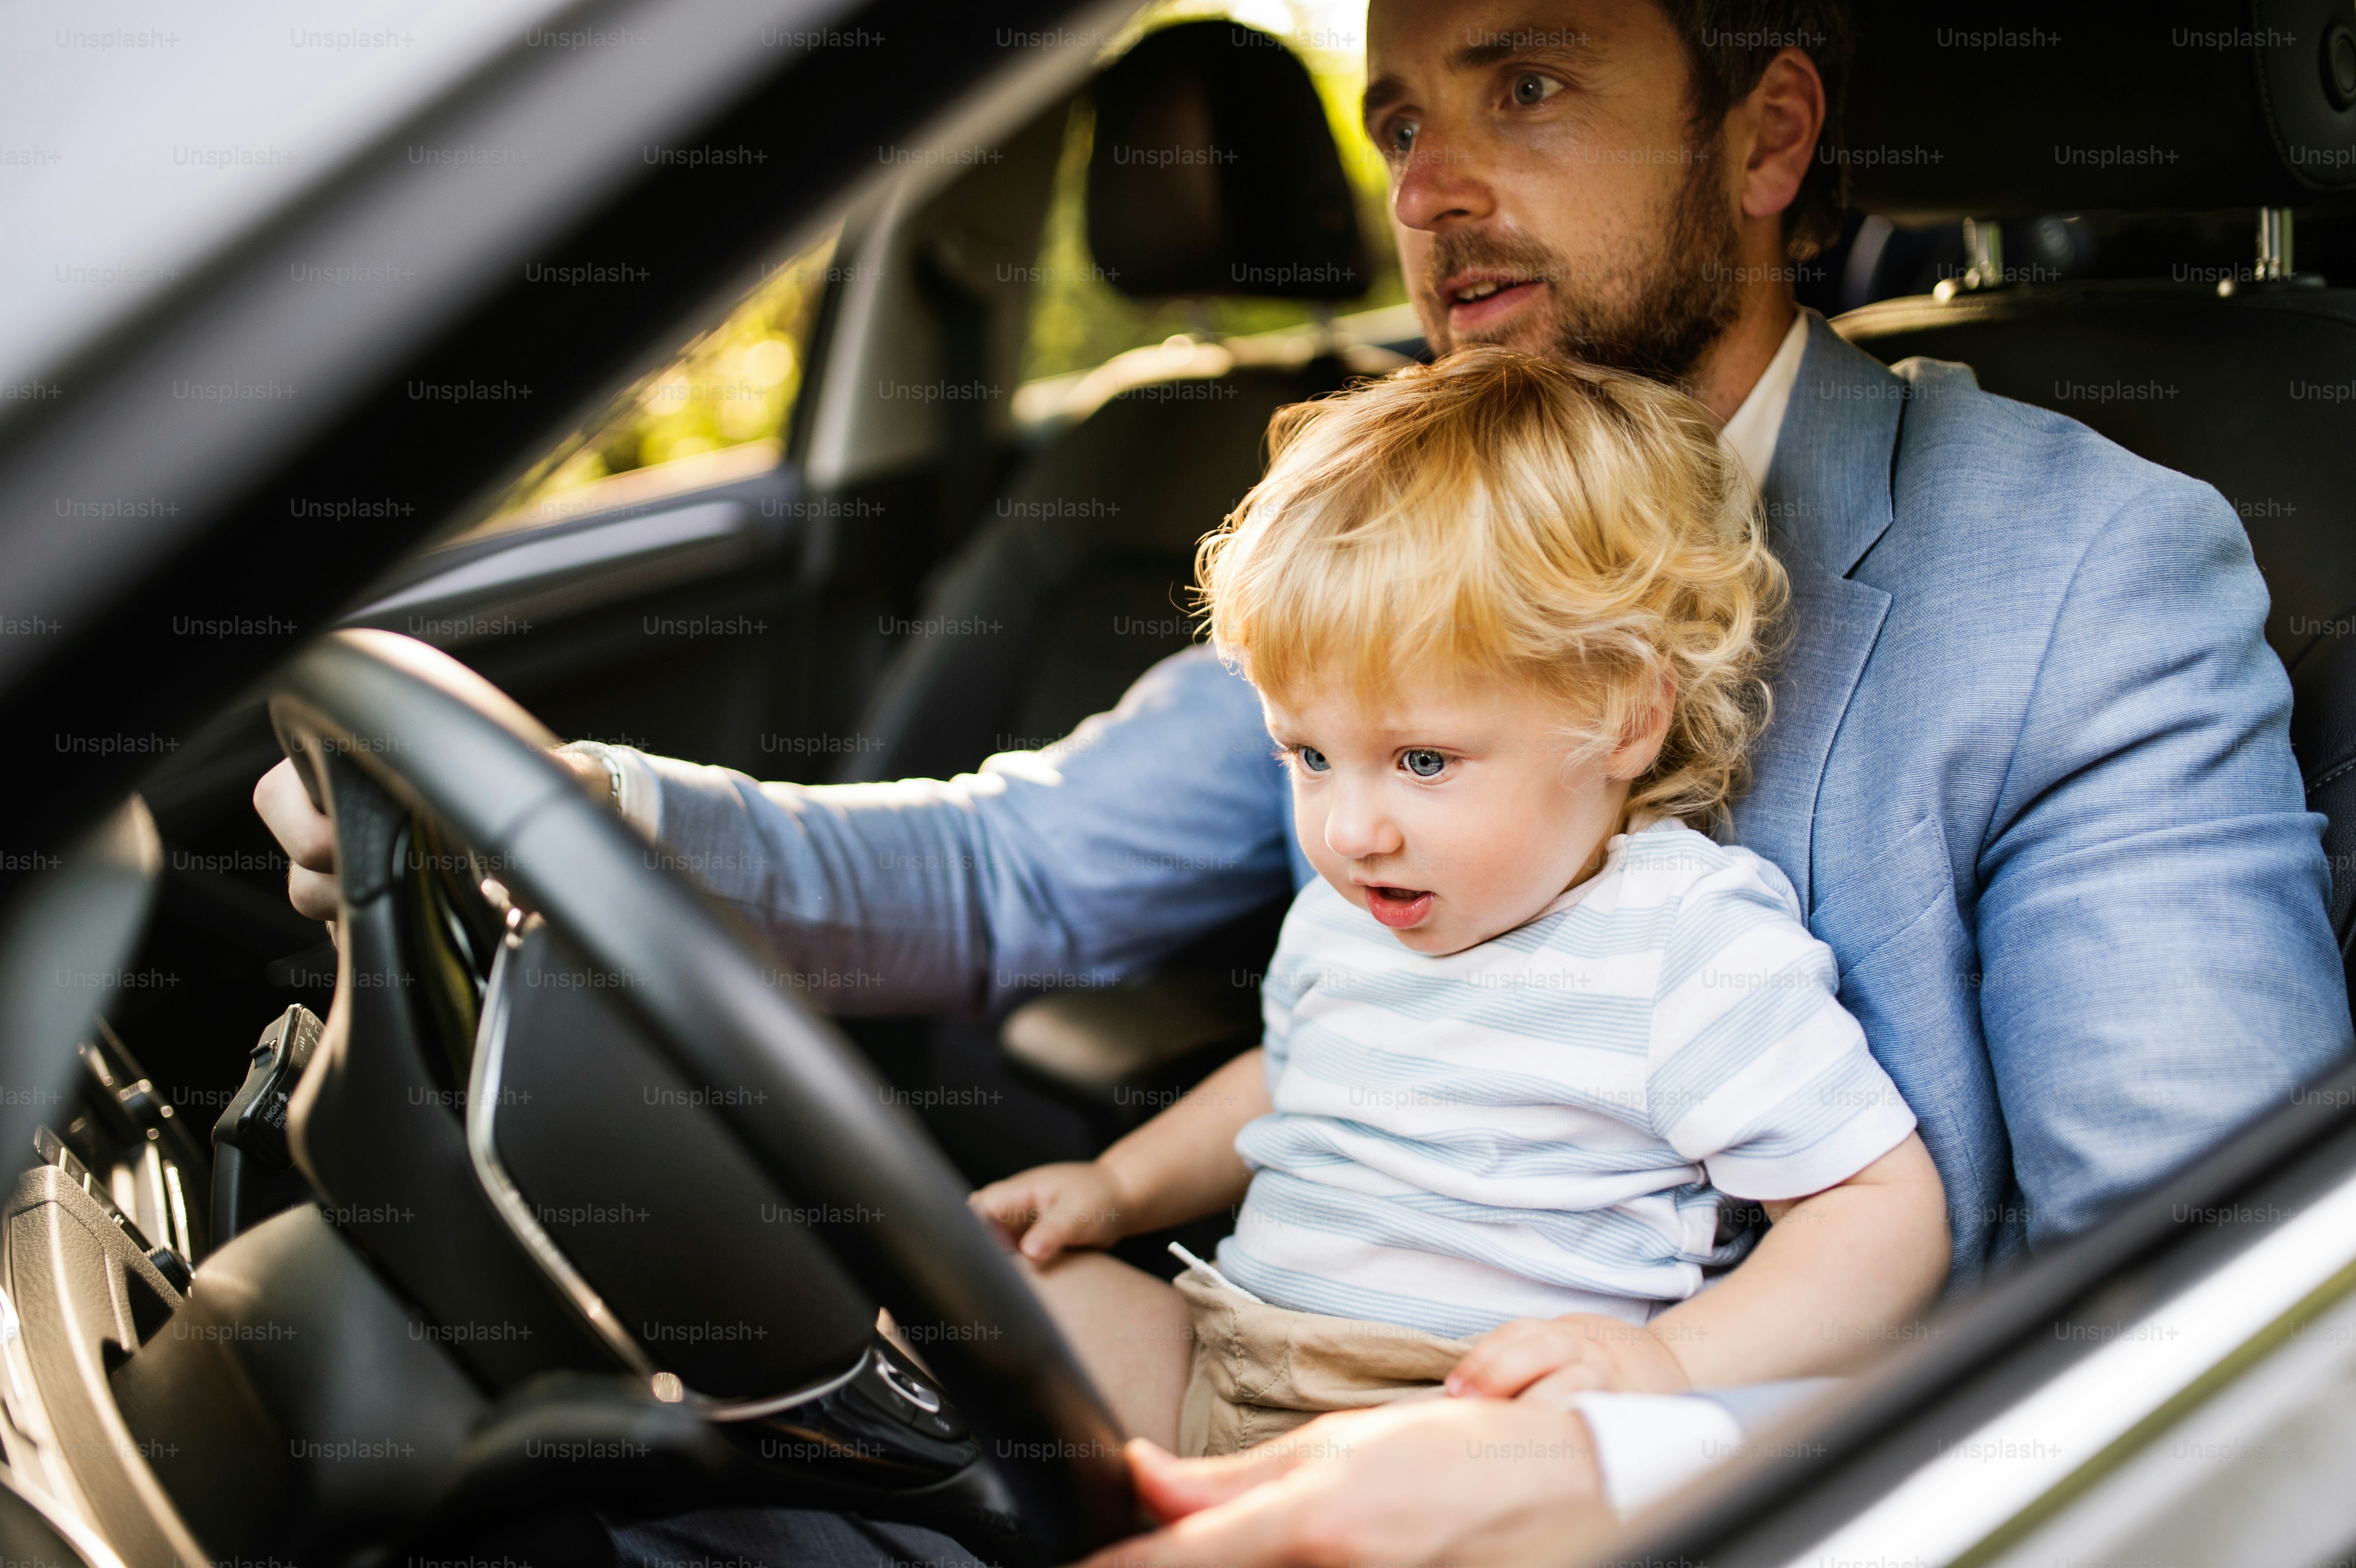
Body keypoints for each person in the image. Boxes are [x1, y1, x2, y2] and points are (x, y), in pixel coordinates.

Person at [256, 0, 2352, 1558]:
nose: (1427, 192)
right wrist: (577, 816)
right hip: (1262, 1371)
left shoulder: (2079, 562)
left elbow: (2217, 1289)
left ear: (1766, 131)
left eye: (1519, 88)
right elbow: (1010, 873)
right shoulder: (1405, 525)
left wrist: (1619, 1457)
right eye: (1395, 120)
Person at [971, 346, 1949, 1454]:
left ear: (1627, 715)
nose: (1350, 828)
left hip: (1454, 1421)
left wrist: (1673, 1363)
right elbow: (1286, 1077)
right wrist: (1115, 1187)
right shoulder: (1353, 909)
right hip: (1226, 1352)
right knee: (970, 1302)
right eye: (1308, 754)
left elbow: (1873, 1208)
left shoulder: (1684, 943)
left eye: (1423, 761)